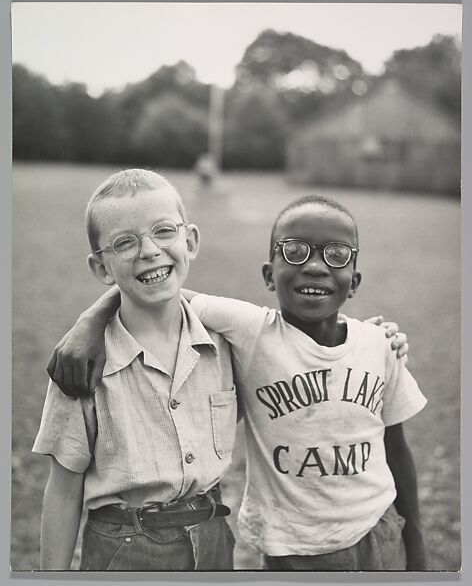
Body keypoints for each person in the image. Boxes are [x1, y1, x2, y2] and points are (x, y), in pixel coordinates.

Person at [46, 188, 417, 571]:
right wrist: (88, 323)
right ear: (269, 275)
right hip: (285, 549)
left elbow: (397, 449)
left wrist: (419, 555)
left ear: (354, 281)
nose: (315, 267)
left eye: (335, 255)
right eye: (295, 251)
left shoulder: (375, 345)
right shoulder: (248, 329)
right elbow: (157, 289)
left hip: (371, 534)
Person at [32, 169, 237, 571]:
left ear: (190, 240)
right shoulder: (82, 363)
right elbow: (62, 490)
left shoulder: (227, 340)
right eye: (125, 242)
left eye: (164, 232)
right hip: (125, 548)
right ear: (101, 268)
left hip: (213, 539)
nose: (149, 251)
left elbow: (290, 340)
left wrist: (372, 340)